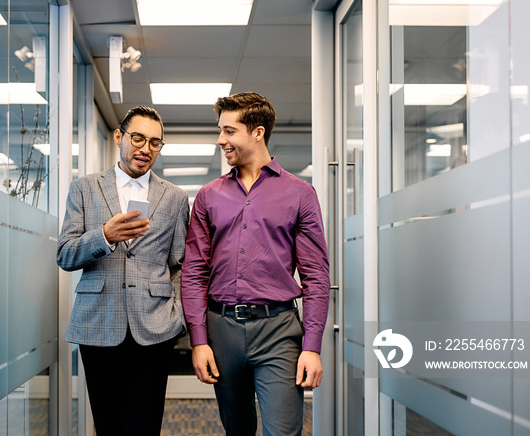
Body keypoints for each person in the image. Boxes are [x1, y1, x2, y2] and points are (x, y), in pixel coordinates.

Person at [181, 92, 330, 435]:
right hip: (221, 329)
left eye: (229, 131)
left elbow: (316, 277)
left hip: (278, 329)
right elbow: (194, 273)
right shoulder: (208, 196)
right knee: (237, 428)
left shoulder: (300, 193)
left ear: (257, 132)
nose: (221, 140)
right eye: (221, 131)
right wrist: (199, 340)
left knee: (282, 430)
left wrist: (312, 347)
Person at [57, 106, 189, 435]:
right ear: (120, 137)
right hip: (98, 325)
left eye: (155, 142)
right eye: (138, 138)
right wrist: (104, 236)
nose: (146, 148)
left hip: (155, 328)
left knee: (145, 426)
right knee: (108, 424)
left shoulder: (175, 198)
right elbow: (65, 254)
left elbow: (181, 265)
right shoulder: (84, 188)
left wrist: (177, 314)